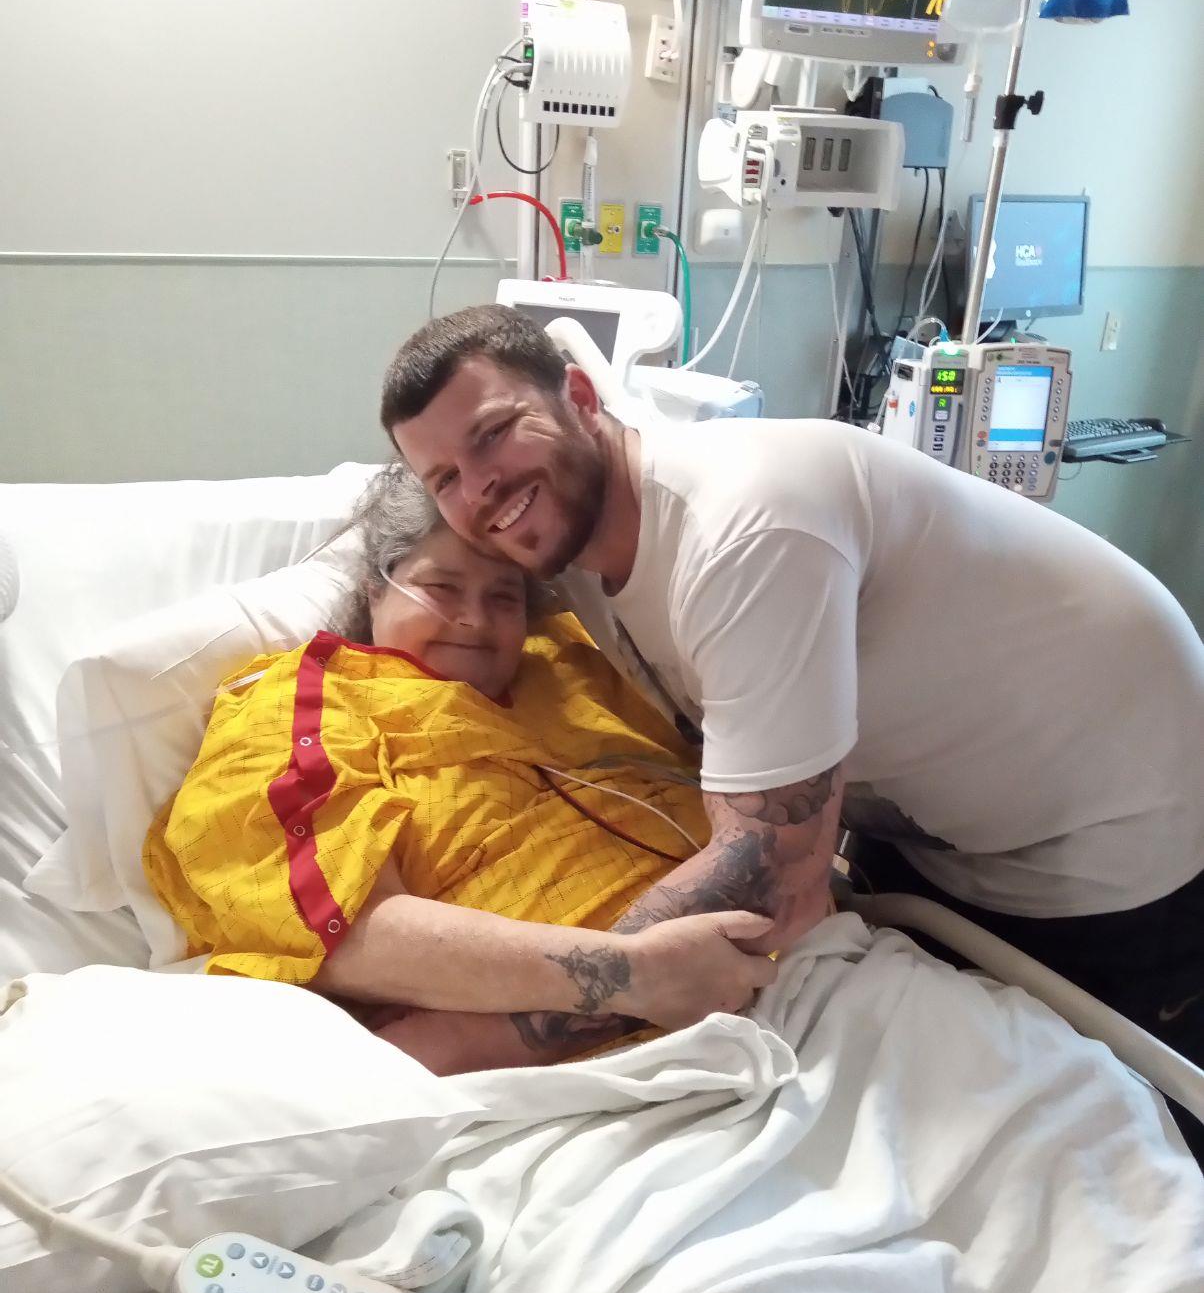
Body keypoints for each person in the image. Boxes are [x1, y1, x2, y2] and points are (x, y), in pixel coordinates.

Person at [379, 303, 1204, 1075]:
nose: (478, 489)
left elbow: (772, 878)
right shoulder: (567, 548)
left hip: (1109, 823)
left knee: (1126, 1118)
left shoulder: (746, 528)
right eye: (443, 477)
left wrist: (468, 1039)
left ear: (584, 397)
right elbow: (399, 573)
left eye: (493, 434)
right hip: (937, 823)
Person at [143, 464, 775, 1074]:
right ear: (375, 587)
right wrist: (631, 976)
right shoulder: (304, 703)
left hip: (789, 962)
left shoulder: (575, 667)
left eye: (503, 597)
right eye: (442, 589)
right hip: (613, 1044)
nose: (475, 619)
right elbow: (352, 935)